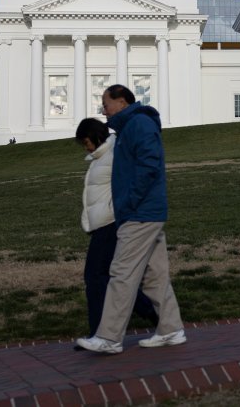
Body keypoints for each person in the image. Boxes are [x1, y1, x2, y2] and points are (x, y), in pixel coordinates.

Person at [75, 85, 187, 354]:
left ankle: (109, 338)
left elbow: (150, 164)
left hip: (140, 213)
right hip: (143, 211)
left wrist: (129, 202)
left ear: (122, 102)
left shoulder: (138, 124)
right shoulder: (127, 129)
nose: (103, 109)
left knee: (122, 274)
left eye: (106, 103)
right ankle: (172, 329)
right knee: (154, 276)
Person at [75, 118, 159, 342]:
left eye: (86, 142)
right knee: (114, 278)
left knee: (95, 277)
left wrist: (117, 211)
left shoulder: (115, 154)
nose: (86, 147)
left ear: (96, 136)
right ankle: (153, 313)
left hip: (111, 223)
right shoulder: (102, 156)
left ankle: (99, 333)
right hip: (102, 224)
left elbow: (131, 182)